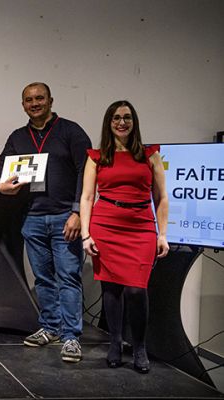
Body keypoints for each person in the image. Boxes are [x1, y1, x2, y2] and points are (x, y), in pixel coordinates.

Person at [0, 82, 92, 362]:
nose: (34, 103)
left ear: (50, 100)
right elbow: (2, 169)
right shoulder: (18, 137)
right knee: (44, 278)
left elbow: (87, 174)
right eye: (29, 100)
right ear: (23, 104)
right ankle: (50, 327)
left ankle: (71, 336)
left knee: (69, 278)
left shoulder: (70, 131)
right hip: (33, 218)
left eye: (40, 98)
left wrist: (77, 212)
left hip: (66, 219)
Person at [80, 100, 169, 373]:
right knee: (111, 288)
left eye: (127, 117)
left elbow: (161, 198)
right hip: (105, 227)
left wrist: (162, 234)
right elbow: (86, 197)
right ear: (109, 122)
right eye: (116, 118)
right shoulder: (97, 156)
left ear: (134, 121)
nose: (122, 122)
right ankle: (115, 343)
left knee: (136, 289)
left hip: (141, 228)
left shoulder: (149, 154)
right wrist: (85, 234)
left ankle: (139, 346)